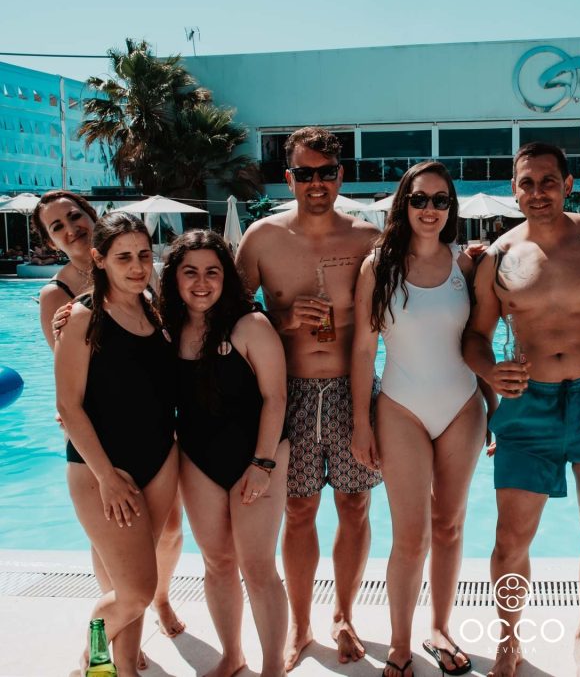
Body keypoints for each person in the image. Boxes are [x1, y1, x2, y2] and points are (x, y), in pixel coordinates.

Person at [463, 142, 580, 677]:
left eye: (547, 181)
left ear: (568, 184)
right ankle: (508, 640)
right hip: (527, 405)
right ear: (513, 190)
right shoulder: (498, 257)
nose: (537, 192)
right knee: (509, 540)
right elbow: (474, 337)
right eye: (526, 183)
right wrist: (490, 372)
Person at [235, 126, 383, 670]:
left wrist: (474, 259)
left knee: (355, 504)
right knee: (298, 510)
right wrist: (282, 318)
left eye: (326, 172)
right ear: (288, 177)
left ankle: (343, 615)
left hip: (352, 388)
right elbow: (225, 313)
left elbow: (419, 289)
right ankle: (300, 623)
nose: (316, 182)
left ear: (340, 176)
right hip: (287, 391)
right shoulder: (262, 238)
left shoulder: (369, 239)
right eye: (304, 173)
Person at [35, 191, 186, 654]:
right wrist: (106, 476)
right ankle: (92, 656)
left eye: (143, 255)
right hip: (103, 461)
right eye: (124, 257)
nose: (137, 265)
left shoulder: (153, 306)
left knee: (139, 581)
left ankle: (120, 662)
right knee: (133, 590)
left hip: (159, 455)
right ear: (102, 260)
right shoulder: (80, 315)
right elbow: (70, 404)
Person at [351, 161, 486, 677]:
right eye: (420, 199)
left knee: (449, 525)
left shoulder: (465, 264)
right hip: (400, 409)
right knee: (410, 535)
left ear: (451, 208)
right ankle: (400, 643)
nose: (430, 209)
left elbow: (479, 339)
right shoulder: (378, 266)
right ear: (403, 203)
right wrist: (361, 423)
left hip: (462, 407)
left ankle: (441, 628)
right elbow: (364, 350)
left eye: (440, 200)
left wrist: (496, 406)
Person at [160, 230, 289, 677]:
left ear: (226, 277)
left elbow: (275, 397)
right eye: (190, 272)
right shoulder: (166, 326)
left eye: (212, 272)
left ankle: (273, 668)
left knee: (257, 567)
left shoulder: (249, 325)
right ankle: (232, 656)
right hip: (199, 456)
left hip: (259, 452)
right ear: (174, 277)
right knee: (217, 562)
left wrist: (262, 464)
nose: (201, 283)